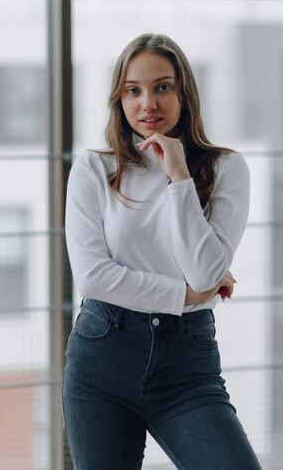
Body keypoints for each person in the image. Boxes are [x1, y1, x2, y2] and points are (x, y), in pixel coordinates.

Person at [62, 33, 262, 469]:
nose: (148, 103)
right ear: (120, 99)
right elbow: (94, 277)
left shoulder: (226, 168)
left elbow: (207, 274)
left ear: (184, 93)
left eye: (163, 87)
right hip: (101, 362)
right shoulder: (95, 169)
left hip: (186, 367)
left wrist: (178, 176)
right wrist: (186, 295)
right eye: (134, 90)